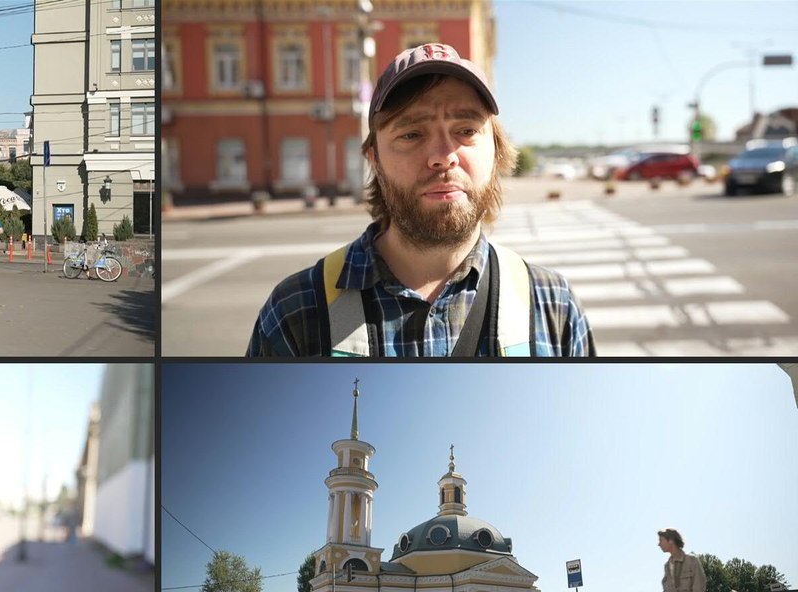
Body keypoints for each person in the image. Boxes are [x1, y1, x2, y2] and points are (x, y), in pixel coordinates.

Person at [247, 43, 594, 357]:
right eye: (411, 134)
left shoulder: (553, 307)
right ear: (374, 159)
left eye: (467, 131)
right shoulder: (295, 311)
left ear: (497, 149)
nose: (443, 157)